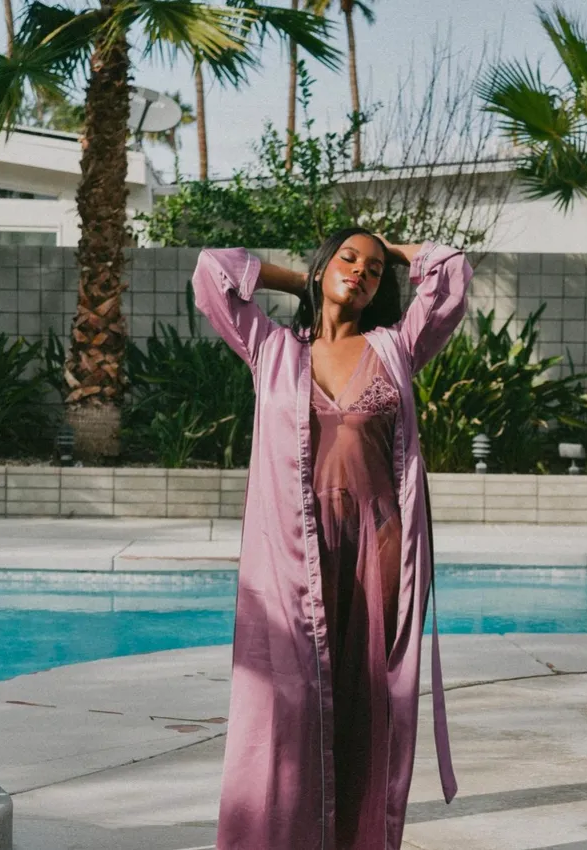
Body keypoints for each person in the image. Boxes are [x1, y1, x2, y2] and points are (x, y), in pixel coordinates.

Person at [192, 228, 470, 849]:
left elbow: (450, 275)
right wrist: (305, 277)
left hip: (380, 549)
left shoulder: (397, 347)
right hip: (296, 555)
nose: (362, 271)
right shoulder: (273, 349)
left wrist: (394, 252)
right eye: (349, 259)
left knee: (367, 709)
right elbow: (213, 271)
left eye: (374, 270)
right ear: (324, 267)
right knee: (290, 710)